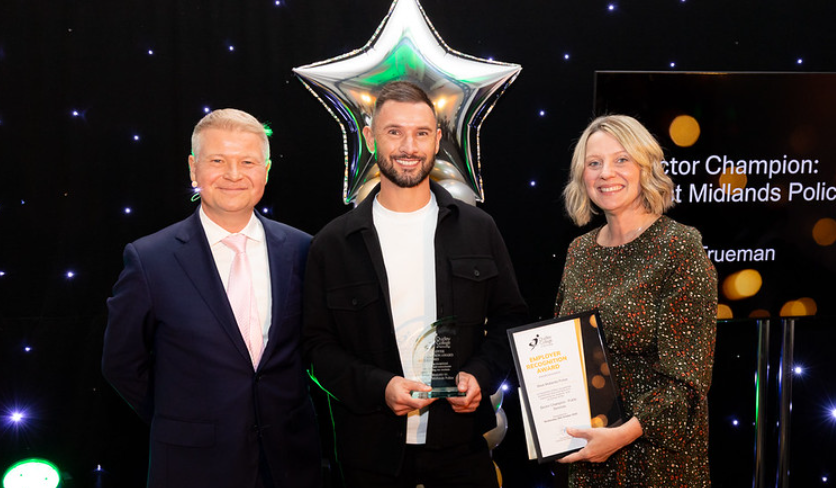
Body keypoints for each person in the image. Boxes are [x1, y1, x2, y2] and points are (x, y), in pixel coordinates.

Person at [301, 80, 528, 488]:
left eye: (421, 133)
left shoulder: (479, 229)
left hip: (462, 451)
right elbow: (317, 348)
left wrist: (480, 375)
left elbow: (511, 319)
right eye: (394, 132)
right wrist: (380, 387)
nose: (409, 146)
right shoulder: (332, 244)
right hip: (369, 457)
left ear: (438, 139)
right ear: (370, 138)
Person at [102, 108, 322, 488]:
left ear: (266, 171)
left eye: (248, 162)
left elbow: (315, 346)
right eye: (218, 161)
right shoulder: (150, 259)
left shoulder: (304, 249)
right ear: (193, 168)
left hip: (290, 462)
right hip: (192, 465)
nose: (234, 175)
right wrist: (182, 415)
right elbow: (121, 362)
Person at [554, 115, 718, 487]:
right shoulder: (579, 251)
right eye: (594, 163)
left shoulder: (680, 248)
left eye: (621, 160)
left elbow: (688, 382)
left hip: (656, 461)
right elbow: (564, 353)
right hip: (590, 456)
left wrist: (623, 435)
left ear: (646, 167)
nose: (606, 173)